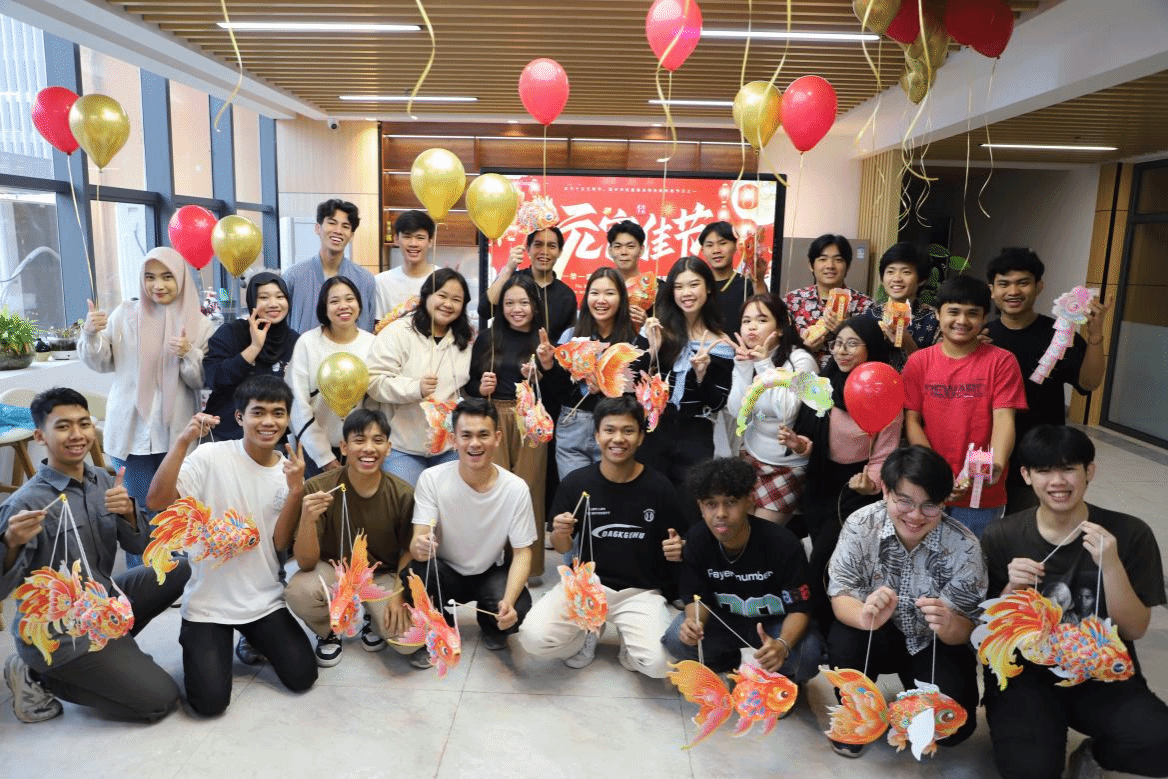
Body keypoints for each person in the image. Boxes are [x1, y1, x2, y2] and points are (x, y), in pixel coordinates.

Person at [980, 425, 1168, 779]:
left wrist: (1111, 566)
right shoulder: (1002, 535)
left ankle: (1095, 754)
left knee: (1160, 743)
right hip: (1026, 676)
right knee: (1030, 770)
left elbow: (1134, 629)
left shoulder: (1129, 534)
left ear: (1089, 471)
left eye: (1068, 469)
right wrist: (1011, 588)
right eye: (1044, 470)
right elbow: (989, 636)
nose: (1058, 481)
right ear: (1026, 475)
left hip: (1100, 673)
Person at [0, 388, 189, 723]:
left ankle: (112, 650)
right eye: (63, 427)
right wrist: (11, 543)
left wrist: (129, 515)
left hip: (101, 602)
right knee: (160, 700)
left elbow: (141, 547)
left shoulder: (102, 480)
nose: (77, 435)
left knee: (179, 567)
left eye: (83, 424)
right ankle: (36, 674)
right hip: (60, 632)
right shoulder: (24, 504)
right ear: (40, 436)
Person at [145, 375, 317, 716]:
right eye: (258, 412)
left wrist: (296, 490)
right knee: (209, 704)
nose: (268, 422)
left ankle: (251, 639)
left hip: (263, 599)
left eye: (278, 413)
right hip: (208, 603)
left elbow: (280, 543)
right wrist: (182, 440)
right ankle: (201, 643)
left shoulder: (289, 473)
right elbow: (157, 500)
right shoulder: (211, 455)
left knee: (303, 676)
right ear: (239, 417)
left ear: (288, 419)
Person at [826, 445, 986, 757]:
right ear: (885, 491)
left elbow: (967, 628)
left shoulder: (965, 546)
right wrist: (864, 616)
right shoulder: (861, 524)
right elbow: (841, 593)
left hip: (931, 643)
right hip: (876, 636)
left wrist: (949, 624)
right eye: (905, 502)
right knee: (846, 639)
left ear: (944, 502)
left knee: (954, 729)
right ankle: (857, 715)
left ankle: (913, 705)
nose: (915, 516)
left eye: (930, 506)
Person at [519, 396, 684, 676]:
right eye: (609, 430)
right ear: (596, 435)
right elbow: (562, 547)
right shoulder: (576, 483)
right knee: (532, 638)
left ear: (641, 437)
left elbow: (677, 542)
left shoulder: (660, 487)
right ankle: (586, 633)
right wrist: (560, 532)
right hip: (586, 586)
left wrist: (679, 547)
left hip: (640, 592)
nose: (618, 439)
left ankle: (629, 643)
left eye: (628, 431)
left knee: (660, 666)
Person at [80, 246, 214, 567]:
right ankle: (139, 577)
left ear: (181, 278)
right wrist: (90, 333)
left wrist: (187, 353)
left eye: (167, 276)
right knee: (137, 510)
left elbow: (201, 381)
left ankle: (175, 577)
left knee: (175, 508)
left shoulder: (200, 324)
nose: (158, 285)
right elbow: (102, 362)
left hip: (176, 433)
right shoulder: (125, 315)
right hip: (131, 433)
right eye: (150, 277)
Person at [662, 458, 822, 683]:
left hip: (774, 623)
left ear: (749, 501)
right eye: (711, 504)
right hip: (725, 621)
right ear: (700, 506)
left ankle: (784, 679)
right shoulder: (697, 540)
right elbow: (697, 597)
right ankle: (725, 664)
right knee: (676, 639)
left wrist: (783, 644)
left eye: (730, 502)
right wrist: (694, 623)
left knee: (808, 655)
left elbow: (800, 608)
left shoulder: (784, 544)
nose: (720, 513)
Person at [403, 399, 535, 660]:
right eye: (466, 436)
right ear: (454, 440)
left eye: (483, 435)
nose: (475, 444)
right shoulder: (432, 479)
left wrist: (508, 603)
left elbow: (523, 553)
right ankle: (440, 623)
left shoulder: (516, 488)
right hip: (445, 571)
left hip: (489, 572)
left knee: (519, 608)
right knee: (417, 574)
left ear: (497, 438)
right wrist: (420, 546)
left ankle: (491, 624)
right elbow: (418, 543)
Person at [285, 409, 415, 667]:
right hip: (333, 571)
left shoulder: (402, 493)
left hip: (381, 574)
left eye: (378, 440)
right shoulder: (318, 488)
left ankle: (372, 619)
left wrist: (398, 594)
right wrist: (307, 519)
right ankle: (330, 630)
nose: (369, 449)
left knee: (409, 641)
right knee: (300, 592)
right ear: (344, 447)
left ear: (389, 448)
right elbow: (306, 563)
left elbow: (409, 550)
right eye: (359, 440)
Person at [903, 274, 1028, 538]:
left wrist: (996, 464)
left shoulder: (1002, 362)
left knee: (972, 558)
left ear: (984, 318)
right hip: (928, 487)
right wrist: (936, 473)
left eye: (972, 313)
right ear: (938, 314)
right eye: (953, 312)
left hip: (980, 493)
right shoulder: (919, 362)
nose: (962, 321)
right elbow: (912, 421)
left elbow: (1004, 419)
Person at [984, 248, 1107, 513]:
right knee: (981, 526)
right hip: (987, 451)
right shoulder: (981, 336)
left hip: (1041, 453)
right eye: (1004, 284)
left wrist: (1096, 337)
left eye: (1023, 282)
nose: (1013, 291)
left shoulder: (1060, 335)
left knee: (1029, 524)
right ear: (992, 290)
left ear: (1039, 286)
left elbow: (1089, 383)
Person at [800, 316, 902, 630]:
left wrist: (871, 482)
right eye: (837, 343)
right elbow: (808, 438)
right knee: (822, 551)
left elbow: (885, 452)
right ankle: (827, 624)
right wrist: (798, 444)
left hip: (858, 488)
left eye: (852, 344)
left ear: (871, 348)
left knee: (825, 559)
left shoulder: (885, 390)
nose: (841, 351)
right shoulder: (822, 384)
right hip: (819, 481)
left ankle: (820, 624)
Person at [467, 274, 550, 580]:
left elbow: (556, 389)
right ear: (501, 306)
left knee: (529, 490)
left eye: (523, 302)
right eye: (509, 303)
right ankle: (491, 564)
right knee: (493, 489)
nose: (517, 309)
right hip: (495, 416)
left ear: (534, 306)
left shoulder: (542, 339)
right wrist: (481, 387)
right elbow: (470, 383)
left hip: (531, 418)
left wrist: (543, 371)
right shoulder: (488, 338)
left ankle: (529, 566)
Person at [366, 268, 473, 486]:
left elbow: (465, 389)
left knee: (448, 502)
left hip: (449, 446)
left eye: (456, 300)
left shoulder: (464, 340)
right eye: (442, 296)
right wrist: (416, 388)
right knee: (405, 502)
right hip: (402, 446)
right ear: (426, 295)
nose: (448, 304)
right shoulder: (398, 332)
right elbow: (373, 381)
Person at [640, 257, 735, 501]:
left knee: (690, 504)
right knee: (649, 502)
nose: (686, 293)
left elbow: (717, 403)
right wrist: (652, 350)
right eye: (678, 287)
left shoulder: (720, 343)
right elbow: (631, 382)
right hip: (654, 429)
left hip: (696, 432)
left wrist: (702, 376)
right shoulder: (655, 329)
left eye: (694, 285)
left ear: (708, 287)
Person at [540, 267, 648, 480]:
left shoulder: (634, 340)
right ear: (586, 297)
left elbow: (640, 395)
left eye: (610, 293)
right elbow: (557, 392)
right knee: (575, 490)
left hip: (615, 428)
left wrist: (607, 388)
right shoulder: (571, 336)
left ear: (621, 299)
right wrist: (548, 365)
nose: (601, 300)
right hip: (573, 426)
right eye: (595, 293)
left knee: (609, 492)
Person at [727, 294, 818, 524]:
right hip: (751, 456)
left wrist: (764, 364)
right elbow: (737, 411)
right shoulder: (749, 357)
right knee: (738, 528)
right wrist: (743, 367)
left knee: (763, 535)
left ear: (779, 327)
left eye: (761, 320)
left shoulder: (800, 360)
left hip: (787, 466)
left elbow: (786, 410)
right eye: (746, 321)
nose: (752, 327)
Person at [288, 276, 376, 476]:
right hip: (312, 449)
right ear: (324, 308)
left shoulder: (372, 344)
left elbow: (376, 402)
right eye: (334, 301)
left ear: (359, 304)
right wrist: (324, 457)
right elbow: (298, 404)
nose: (343, 306)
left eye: (350, 299)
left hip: (362, 449)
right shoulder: (307, 343)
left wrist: (364, 447)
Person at [204, 272, 299, 440]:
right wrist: (254, 347)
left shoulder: (294, 341)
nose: (273, 304)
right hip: (227, 437)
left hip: (272, 438)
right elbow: (215, 378)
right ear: (252, 301)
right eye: (263, 297)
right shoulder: (231, 333)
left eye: (280, 297)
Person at [283, 199, 376, 333]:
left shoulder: (365, 280)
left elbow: (367, 328)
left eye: (345, 226)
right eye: (332, 223)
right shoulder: (293, 277)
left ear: (351, 236)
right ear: (317, 228)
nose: (338, 230)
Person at [783, 234, 873, 368]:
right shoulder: (792, 300)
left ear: (847, 266)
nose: (830, 265)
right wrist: (803, 349)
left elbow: (872, 352)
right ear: (811, 265)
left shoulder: (864, 304)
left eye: (838, 260)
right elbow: (778, 345)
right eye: (822, 259)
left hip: (847, 378)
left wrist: (846, 329)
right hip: (803, 376)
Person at [479, 226, 577, 343]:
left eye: (551, 246)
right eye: (538, 245)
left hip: (547, 354)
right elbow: (484, 310)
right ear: (528, 249)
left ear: (559, 252)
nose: (544, 251)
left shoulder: (566, 295)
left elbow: (567, 339)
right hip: (507, 352)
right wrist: (509, 268)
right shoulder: (511, 280)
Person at [864, 242, 938, 371]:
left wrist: (909, 344)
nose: (896, 278)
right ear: (882, 278)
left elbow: (937, 369)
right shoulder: (870, 315)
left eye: (906, 272)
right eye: (890, 272)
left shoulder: (933, 318)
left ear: (921, 279)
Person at [374, 210, 437, 321]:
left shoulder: (441, 280)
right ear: (396, 240)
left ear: (430, 241)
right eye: (407, 237)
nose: (413, 243)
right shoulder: (381, 282)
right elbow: (377, 325)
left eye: (420, 238)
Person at [699, 221, 755, 337]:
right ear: (702, 250)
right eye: (709, 245)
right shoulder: (698, 286)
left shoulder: (747, 285)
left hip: (739, 347)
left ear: (736, 246)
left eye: (723, 243)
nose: (716, 250)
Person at [607, 219, 652, 328]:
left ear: (641, 250)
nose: (624, 252)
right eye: (617, 246)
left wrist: (645, 324)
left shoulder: (655, 287)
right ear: (610, 250)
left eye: (630, 246)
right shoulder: (601, 286)